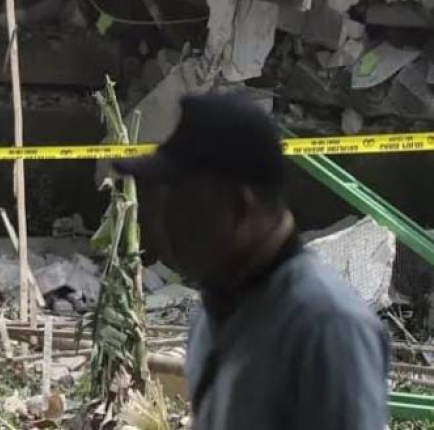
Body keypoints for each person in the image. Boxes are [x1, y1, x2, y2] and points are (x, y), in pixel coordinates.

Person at [115, 94, 389, 430]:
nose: (165, 224)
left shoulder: (327, 327)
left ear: (242, 206)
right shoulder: (214, 315)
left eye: (185, 207)